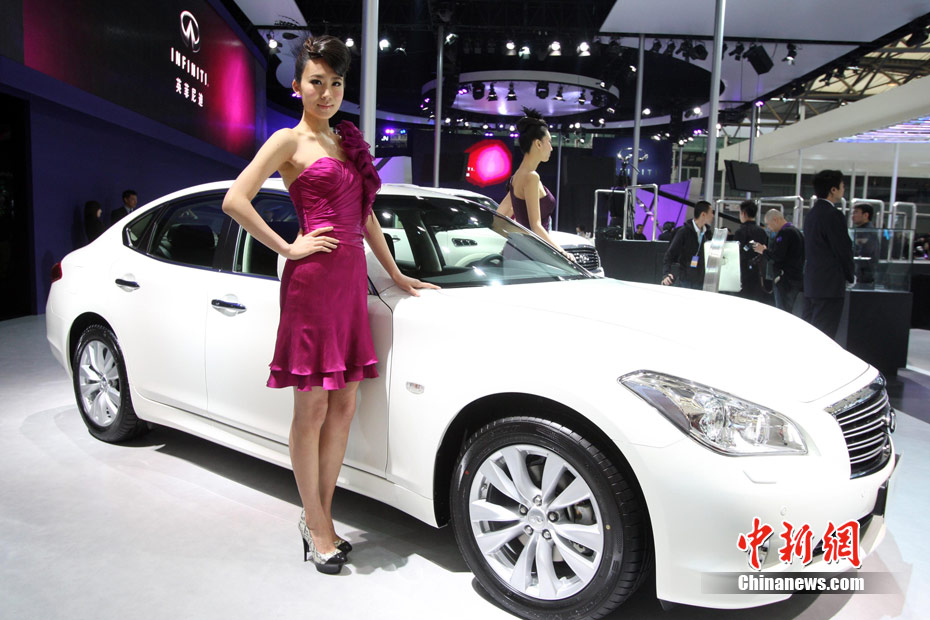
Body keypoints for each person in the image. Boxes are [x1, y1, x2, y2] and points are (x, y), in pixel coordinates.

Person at [222, 36, 437, 575]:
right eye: (316, 82)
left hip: (349, 286)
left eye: (336, 83)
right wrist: (289, 247)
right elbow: (235, 200)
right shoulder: (287, 140)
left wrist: (394, 274)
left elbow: (364, 217)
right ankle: (316, 522)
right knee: (312, 408)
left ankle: (321, 512)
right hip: (312, 284)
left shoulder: (345, 141)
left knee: (343, 405)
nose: (327, 93)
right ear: (297, 86)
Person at [497, 107, 571, 257]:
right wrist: (562, 253)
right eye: (549, 142)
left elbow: (497, 218)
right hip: (530, 255)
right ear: (538, 144)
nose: (551, 148)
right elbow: (535, 226)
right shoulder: (531, 177)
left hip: (518, 251)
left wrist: (517, 234)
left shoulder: (516, 177)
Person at [802, 170, 854, 339]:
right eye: (842, 186)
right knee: (825, 334)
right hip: (830, 285)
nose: (843, 190)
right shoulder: (833, 215)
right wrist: (850, 274)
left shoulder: (811, 215)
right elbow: (842, 248)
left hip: (812, 283)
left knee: (810, 331)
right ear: (833, 189)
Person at [752, 210, 804, 313]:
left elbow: (778, 256)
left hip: (785, 280)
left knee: (783, 311)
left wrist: (763, 251)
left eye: (768, 224)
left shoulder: (784, 233)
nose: (768, 228)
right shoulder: (797, 232)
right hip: (796, 278)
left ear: (775, 220)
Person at [661, 201, 714, 289]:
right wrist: (666, 273)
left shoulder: (707, 233)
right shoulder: (684, 232)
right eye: (711, 212)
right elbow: (670, 253)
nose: (713, 215)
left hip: (701, 280)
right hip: (685, 279)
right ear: (703, 214)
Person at [734, 200, 768, 303]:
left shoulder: (740, 232)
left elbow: (737, 253)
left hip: (742, 274)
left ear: (743, 213)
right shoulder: (762, 232)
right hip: (759, 273)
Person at [851, 203, 878, 287]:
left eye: (856, 212)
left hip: (864, 275)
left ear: (866, 215)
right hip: (861, 273)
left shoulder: (867, 231)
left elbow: (865, 252)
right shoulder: (861, 230)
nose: (853, 216)